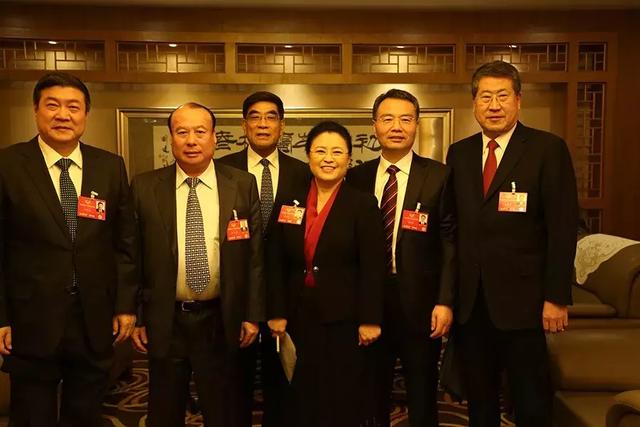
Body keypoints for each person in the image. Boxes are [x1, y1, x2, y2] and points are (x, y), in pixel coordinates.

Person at [0, 72, 137, 426]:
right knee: (32, 415)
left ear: (85, 114)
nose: (63, 115)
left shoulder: (109, 166)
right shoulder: (8, 165)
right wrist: (1, 317)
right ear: (36, 110)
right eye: (53, 105)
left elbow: (124, 244)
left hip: (93, 318)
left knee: (86, 413)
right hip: (31, 318)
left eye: (73, 107)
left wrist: (124, 305)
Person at [446, 60, 578, 427]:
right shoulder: (459, 153)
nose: (494, 105)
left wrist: (556, 297)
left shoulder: (546, 149)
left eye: (502, 96)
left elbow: (563, 227)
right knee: (480, 400)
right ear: (474, 103)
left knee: (530, 400)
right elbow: (453, 225)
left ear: (518, 100)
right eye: (485, 97)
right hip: (472, 302)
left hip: (526, 302)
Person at [131, 102, 265, 427]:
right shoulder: (145, 186)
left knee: (223, 410)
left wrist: (252, 314)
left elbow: (255, 256)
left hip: (220, 318)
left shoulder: (241, 184)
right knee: (165, 410)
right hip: (166, 317)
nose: (191, 140)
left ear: (215, 138)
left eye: (200, 132)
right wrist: (137, 315)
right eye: (182, 132)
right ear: (171, 139)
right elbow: (133, 256)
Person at [348, 89, 456, 427]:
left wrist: (445, 301)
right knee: (370, 389)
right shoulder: (357, 177)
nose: (397, 127)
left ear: (416, 125)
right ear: (374, 125)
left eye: (406, 119)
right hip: (369, 301)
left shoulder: (439, 175)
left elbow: (450, 243)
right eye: (388, 119)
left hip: (420, 302)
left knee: (422, 388)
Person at [267, 121, 385, 427]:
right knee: (298, 393)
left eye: (337, 152)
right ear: (308, 156)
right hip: (297, 314)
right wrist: (276, 311)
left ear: (349, 159)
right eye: (320, 151)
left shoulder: (362, 204)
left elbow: (373, 267)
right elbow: (275, 260)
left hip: (344, 317)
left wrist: (370, 319)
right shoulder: (289, 200)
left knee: (339, 395)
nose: (328, 158)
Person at [217, 91, 309, 427]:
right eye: (254, 117)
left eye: (271, 117)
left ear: (282, 125)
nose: (263, 124)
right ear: (244, 125)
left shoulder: (303, 172)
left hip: (286, 288)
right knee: (234, 376)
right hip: (237, 286)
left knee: (283, 377)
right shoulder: (222, 169)